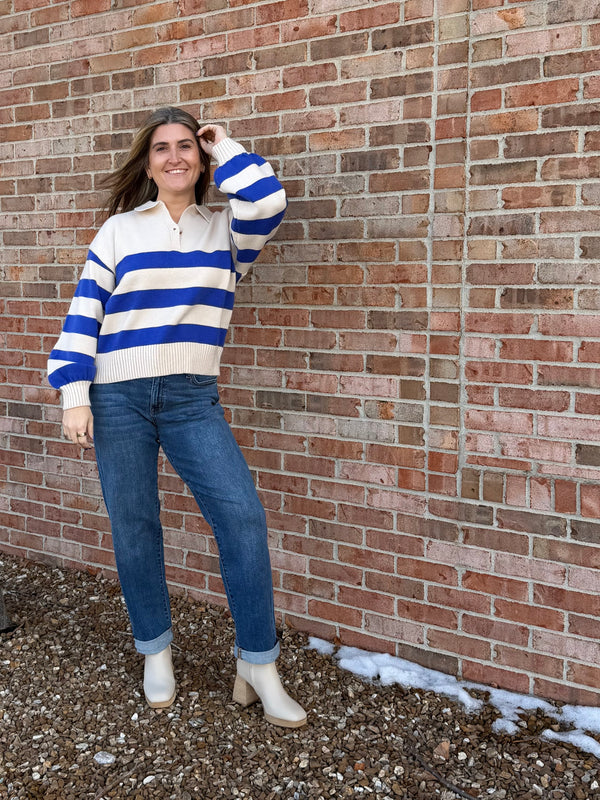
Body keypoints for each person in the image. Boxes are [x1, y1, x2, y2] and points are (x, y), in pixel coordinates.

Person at [47, 106, 306, 728]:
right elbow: (85, 315)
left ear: (201, 157)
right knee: (135, 525)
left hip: (192, 396)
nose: (174, 156)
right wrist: (74, 393)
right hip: (117, 397)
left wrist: (225, 143)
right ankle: (155, 652)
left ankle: (258, 666)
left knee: (242, 517)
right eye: (161, 148)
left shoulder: (228, 229)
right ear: (148, 162)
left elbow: (269, 198)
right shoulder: (118, 232)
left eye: (187, 146)